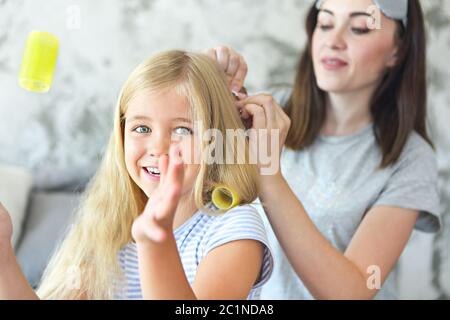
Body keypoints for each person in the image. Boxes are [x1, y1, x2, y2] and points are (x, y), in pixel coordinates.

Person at [207, 0, 441, 299]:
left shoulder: (410, 158)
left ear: (397, 50)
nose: (333, 40)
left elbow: (352, 292)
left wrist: (268, 174)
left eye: (359, 28)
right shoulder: (269, 110)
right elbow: (199, 196)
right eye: (326, 24)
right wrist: (207, 93)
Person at [0, 50, 273, 300]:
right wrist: (4, 256)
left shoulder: (233, 229)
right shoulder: (108, 227)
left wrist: (155, 242)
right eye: (142, 129)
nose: (158, 148)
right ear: (121, 135)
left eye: (182, 130)